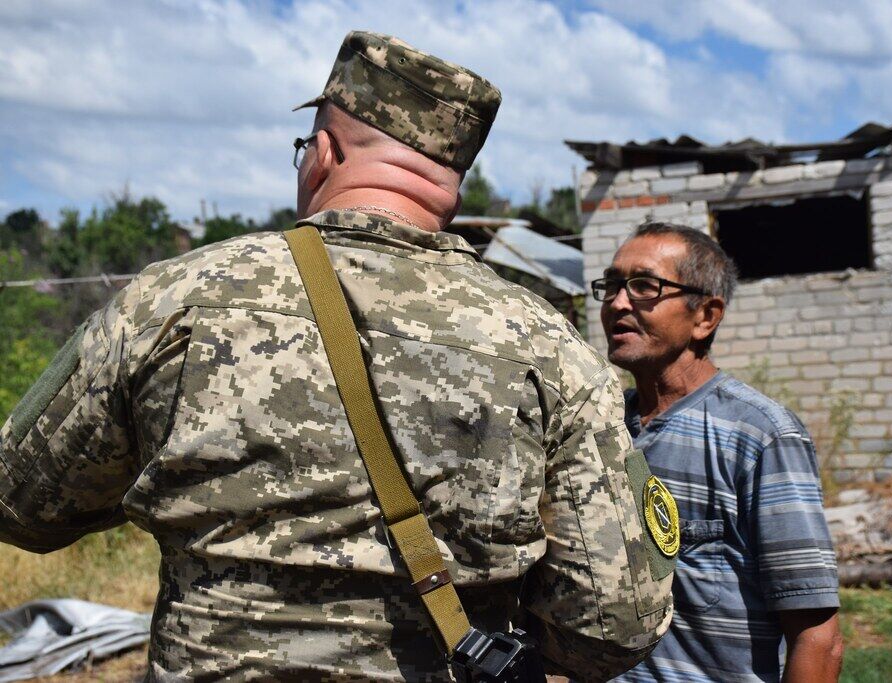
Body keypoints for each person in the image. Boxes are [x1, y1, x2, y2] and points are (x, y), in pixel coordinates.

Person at [0, 31, 672, 681]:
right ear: (449, 184)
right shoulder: (551, 348)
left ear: (321, 152)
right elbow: (618, 620)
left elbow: (21, 500)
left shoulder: (171, 302)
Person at [595, 222, 844, 682]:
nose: (617, 303)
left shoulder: (759, 436)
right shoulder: (599, 427)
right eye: (611, 285)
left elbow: (817, 637)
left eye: (644, 286)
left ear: (705, 316)